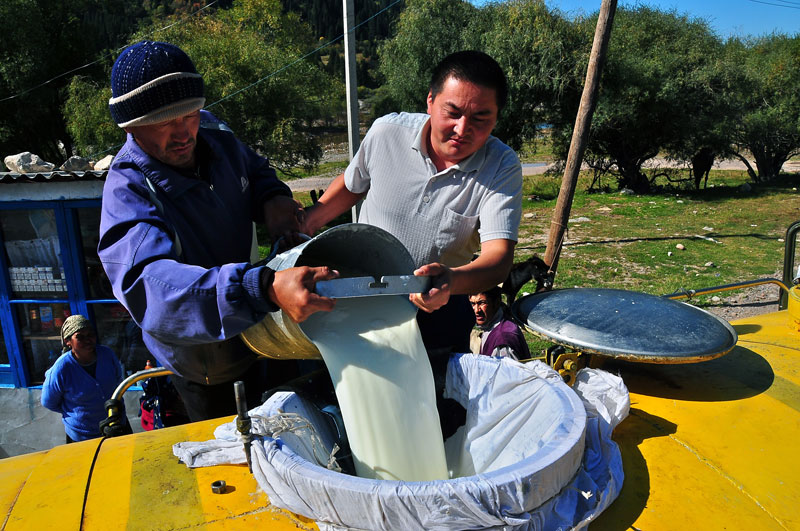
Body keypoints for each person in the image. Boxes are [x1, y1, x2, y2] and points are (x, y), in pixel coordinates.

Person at [98, 41, 338, 422]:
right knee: (234, 451)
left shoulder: (213, 130)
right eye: (164, 122)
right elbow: (150, 287)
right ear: (131, 127)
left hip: (264, 323)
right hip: (207, 361)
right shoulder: (128, 192)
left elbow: (255, 169)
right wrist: (258, 287)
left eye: (188, 114)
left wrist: (273, 199)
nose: (183, 133)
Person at [302, 50, 522, 357]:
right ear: (430, 101)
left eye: (480, 119)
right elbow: (354, 184)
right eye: (453, 113)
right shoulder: (387, 133)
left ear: (497, 117)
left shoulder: (501, 166)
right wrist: (308, 222)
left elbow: (498, 259)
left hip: (438, 309)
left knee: (433, 400)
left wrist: (450, 280)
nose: (462, 129)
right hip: (356, 298)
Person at [41, 315, 130, 442]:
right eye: (80, 337)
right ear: (68, 341)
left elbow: (118, 381)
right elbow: (48, 401)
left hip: (117, 426)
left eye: (90, 335)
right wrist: (77, 412)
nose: (88, 340)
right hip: (84, 437)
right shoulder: (62, 368)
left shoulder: (107, 354)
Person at [469, 287, 530, 360]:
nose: (476, 310)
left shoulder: (503, 340)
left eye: (482, 303)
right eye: (473, 304)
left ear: (496, 302)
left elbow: (506, 371)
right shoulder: (495, 324)